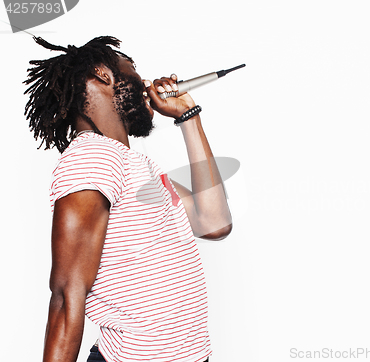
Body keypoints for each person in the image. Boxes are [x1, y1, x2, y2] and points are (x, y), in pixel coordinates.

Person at [24, 36, 233, 362]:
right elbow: (67, 296)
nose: (146, 83)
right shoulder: (92, 158)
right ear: (103, 74)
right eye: (133, 71)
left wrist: (189, 116)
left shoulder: (137, 164)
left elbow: (214, 223)